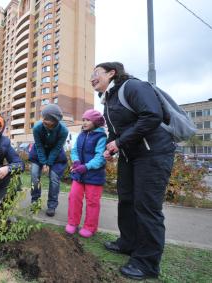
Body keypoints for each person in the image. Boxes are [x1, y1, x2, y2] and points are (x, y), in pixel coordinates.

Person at [91, 62, 175, 280]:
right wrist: (111, 146)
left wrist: (119, 142)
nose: (92, 77)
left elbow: (152, 116)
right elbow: (115, 130)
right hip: (130, 156)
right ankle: (127, 243)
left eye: (96, 73)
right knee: (126, 200)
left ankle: (147, 263)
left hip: (153, 154)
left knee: (147, 207)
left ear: (112, 73)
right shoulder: (108, 100)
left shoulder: (132, 87)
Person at [66, 109, 106, 238]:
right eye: (83, 120)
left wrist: (87, 167)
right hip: (79, 174)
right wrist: (76, 161)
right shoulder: (82, 134)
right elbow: (74, 150)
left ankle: (90, 227)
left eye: (87, 120)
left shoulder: (101, 137)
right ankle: (72, 223)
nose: (84, 122)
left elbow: (100, 157)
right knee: (74, 197)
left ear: (95, 122)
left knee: (92, 202)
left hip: (94, 175)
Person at [29, 104, 69, 217]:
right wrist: (43, 162)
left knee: (54, 179)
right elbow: (39, 146)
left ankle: (52, 205)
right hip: (38, 153)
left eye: (47, 119)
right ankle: (35, 201)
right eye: (43, 118)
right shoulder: (37, 128)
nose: (44, 121)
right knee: (34, 176)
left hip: (56, 156)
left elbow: (57, 148)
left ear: (55, 120)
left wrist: (49, 163)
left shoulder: (63, 131)